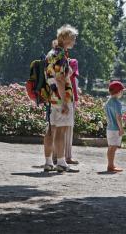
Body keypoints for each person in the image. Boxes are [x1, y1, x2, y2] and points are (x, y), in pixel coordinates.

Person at [43, 25, 79, 173]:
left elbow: (53, 77)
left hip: (50, 96)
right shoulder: (61, 56)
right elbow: (60, 80)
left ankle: (48, 162)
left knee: (50, 130)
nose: (74, 41)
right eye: (73, 38)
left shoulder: (50, 54)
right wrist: (64, 101)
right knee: (61, 130)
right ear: (65, 38)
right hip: (61, 97)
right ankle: (62, 163)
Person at [104, 81, 126, 172]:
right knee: (113, 148)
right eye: (122, 91)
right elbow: (118, 117)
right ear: (118, 92)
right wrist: (121, 128)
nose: (122, 93)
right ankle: (111, 166)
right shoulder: (117, 103)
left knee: (110, 147)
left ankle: (110, 164)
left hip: (109, 128)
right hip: (115, 128)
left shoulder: (108, 102)